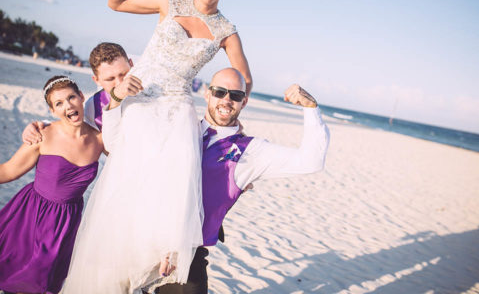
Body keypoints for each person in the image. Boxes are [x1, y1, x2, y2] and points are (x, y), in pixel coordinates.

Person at [62, 0, 252, 293]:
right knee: (128, 187)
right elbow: (116, 2)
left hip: (179, 110)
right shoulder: (170, 3)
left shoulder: (226, 30)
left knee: (171, 191)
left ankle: (157, 268)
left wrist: (229, 126)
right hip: (139, 100)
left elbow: (244, 82)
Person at [101, 68, 330, 294]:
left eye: (236, 95)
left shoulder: (251, 151)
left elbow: (311, 161)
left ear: (244, 101)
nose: (227, 100)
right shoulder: (177, 128)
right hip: (137, 241)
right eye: (220, 92)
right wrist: (115, 99)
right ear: (207, 94)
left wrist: (311, 108)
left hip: (186, 258)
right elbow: (114, 146)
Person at [0, 76, 103, 294]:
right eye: (59, 103)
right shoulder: (43, 136)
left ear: (81, 97)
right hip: (32, 217)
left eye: (71, 97)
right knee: (21, 280)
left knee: (44, 285)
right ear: (53, 111)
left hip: (67, 224)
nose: (68, 105)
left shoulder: (100, 140)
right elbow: (8, 171)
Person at [22, 42, 138, 144]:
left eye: (123, 74)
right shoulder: (94, 106)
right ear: (96, 80)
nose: (119, 83)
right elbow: (78, 130)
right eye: (110, 79)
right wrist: (39, 126)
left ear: (131, 64)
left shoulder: (153, 87)